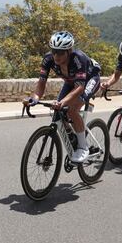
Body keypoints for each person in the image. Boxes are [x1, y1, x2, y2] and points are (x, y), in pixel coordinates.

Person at [23, 31, 101, 163]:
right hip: (71, 82)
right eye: (53, 51)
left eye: (60, 52)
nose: (56, 55)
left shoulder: (78, 58)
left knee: (72, 109)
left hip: (89, 80)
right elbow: (41, 83)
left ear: (69, 51)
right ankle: (72, 135)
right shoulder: (48, 59)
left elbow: (79, 88)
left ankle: (83, 147)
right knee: (58, 112)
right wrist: (34, 98)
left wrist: (63, 102)